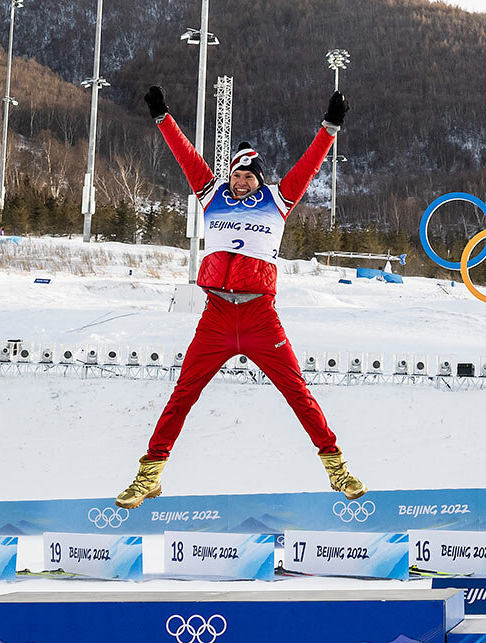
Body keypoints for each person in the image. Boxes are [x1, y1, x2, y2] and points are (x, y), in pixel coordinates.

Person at [115, 86, 366, 509]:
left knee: (297, 392)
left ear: (260, 178)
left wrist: (330, 126)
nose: (241, 180)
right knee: (183, 394)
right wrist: (163, 117)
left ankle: (337, 469)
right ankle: (149, 475)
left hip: (258, 316)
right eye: (235, 174)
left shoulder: (278, 199)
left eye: (248, 175)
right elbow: (187, 157)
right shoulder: (211, 196)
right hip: (215, 315)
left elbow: (308, 166)